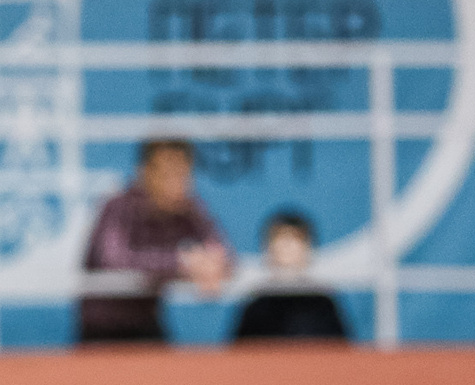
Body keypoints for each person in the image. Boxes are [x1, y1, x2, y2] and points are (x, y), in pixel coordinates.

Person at [76, 138, 234, 343]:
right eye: (166, 174)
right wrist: (182, 263)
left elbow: (224, 253)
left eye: (182, 174)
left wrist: (211, 263)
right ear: (144, 173)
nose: (175, 184)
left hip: (147, 325)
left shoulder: (190, 208)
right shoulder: (118, 207)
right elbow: (114, 260)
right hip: (103, 330)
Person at [231, 208, 350, 342]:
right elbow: (240, 354)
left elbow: (341, 353)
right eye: (279, 238)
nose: (286, 246)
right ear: (267, 247)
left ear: (308, 247)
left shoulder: (323, 302)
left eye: (295, 238)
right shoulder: (255, 303)